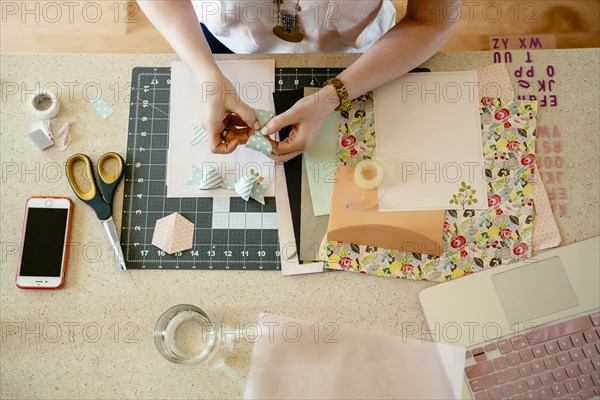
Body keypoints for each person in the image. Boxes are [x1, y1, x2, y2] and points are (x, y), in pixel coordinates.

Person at [138, 0, 458, 161]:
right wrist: (207, 73)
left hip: (364, 52)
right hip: (229, 42)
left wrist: (334, 94)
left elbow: (430, 21)